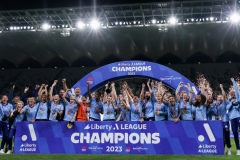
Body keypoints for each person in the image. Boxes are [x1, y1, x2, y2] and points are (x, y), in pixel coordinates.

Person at [214, 84, 231, 155]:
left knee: (227, 135)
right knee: (221, 136)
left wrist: (221, 88)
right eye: (219, 97)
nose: (220, 98)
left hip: (225, 121)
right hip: (218, 122)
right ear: (217, 99)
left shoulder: (224, 103)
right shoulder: (216, 104)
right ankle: (223, 149)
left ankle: (229, 149)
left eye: (221, 97)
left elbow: (224, 95)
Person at [227, 78, 240, 155]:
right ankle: (238, 148)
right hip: (232, 118)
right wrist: (231, 103)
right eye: (231, 92)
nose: (232, 93)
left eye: (233, 92)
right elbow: (227, 108)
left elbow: (237, 91)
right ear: (230, 94)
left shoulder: (237, 98)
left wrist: (233, 82)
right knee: (235, 133)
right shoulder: (229, 100)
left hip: (238, 116)